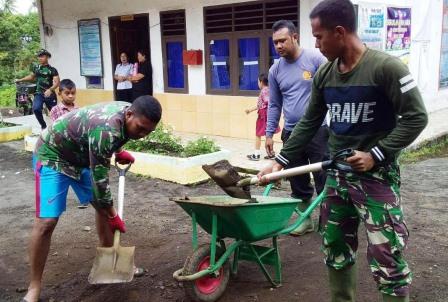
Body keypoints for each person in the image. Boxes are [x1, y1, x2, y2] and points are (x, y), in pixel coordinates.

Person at [258, 1, 428, 301]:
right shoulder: (325, 75)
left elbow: (416, 117)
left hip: (376, 179)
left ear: (339, 32)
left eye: (319, 36)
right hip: (338, 179)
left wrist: (376, 153)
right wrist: (278, 163)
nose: (316, 43)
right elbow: (309, 122)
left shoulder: (386, 68)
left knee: (388, 257)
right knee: (335, 248)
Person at [23, 96, 162, 302]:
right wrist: (113, 214)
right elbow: (100, 183)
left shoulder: (127, 115)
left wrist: (119, 150)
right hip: (54, 154)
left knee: (102, 209)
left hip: (82, 155)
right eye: (140, 129)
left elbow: (108, 135)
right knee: (46, 222)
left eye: (148, 132)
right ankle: (34, 287)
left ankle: (109, 257)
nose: (142, 135)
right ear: (129, 114)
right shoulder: (106, 129)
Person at [266, 20, 329, 236]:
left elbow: (332, 90)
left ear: (295, 37)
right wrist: (269, 133)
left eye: (282, 40)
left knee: (323, 176)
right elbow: (274, 104)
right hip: (291, 133)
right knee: (297, 179)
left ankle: (328, 221)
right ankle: (305, 221)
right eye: (275, 43)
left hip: (318, 131)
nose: (279, 46)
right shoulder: (275, 70)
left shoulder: (316, 59)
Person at [16, 49, 60, 130]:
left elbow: (57, 82)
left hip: (50, 94)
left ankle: (57, 129)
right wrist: (20, 80)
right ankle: (43, 126)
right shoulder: (36, 68)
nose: (40, 58)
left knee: (55, 113)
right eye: (39, 56)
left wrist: (50, 90)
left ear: (47, 57)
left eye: (42, 56)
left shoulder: (52, 70)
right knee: (36, 109)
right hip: (39, 93)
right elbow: (31, 77)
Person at [245, 74, 279, 161]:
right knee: (269, 135)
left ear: (261, 82)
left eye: (258, 82)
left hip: (263, 115)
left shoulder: (264, 91)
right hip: (267, 115)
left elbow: (266, 102)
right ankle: (271, 154)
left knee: (258, 134)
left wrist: (265, 114)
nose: (258, 83)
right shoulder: (269, 90)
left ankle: (256, 155)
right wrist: (250, 110)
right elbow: (260, 105)